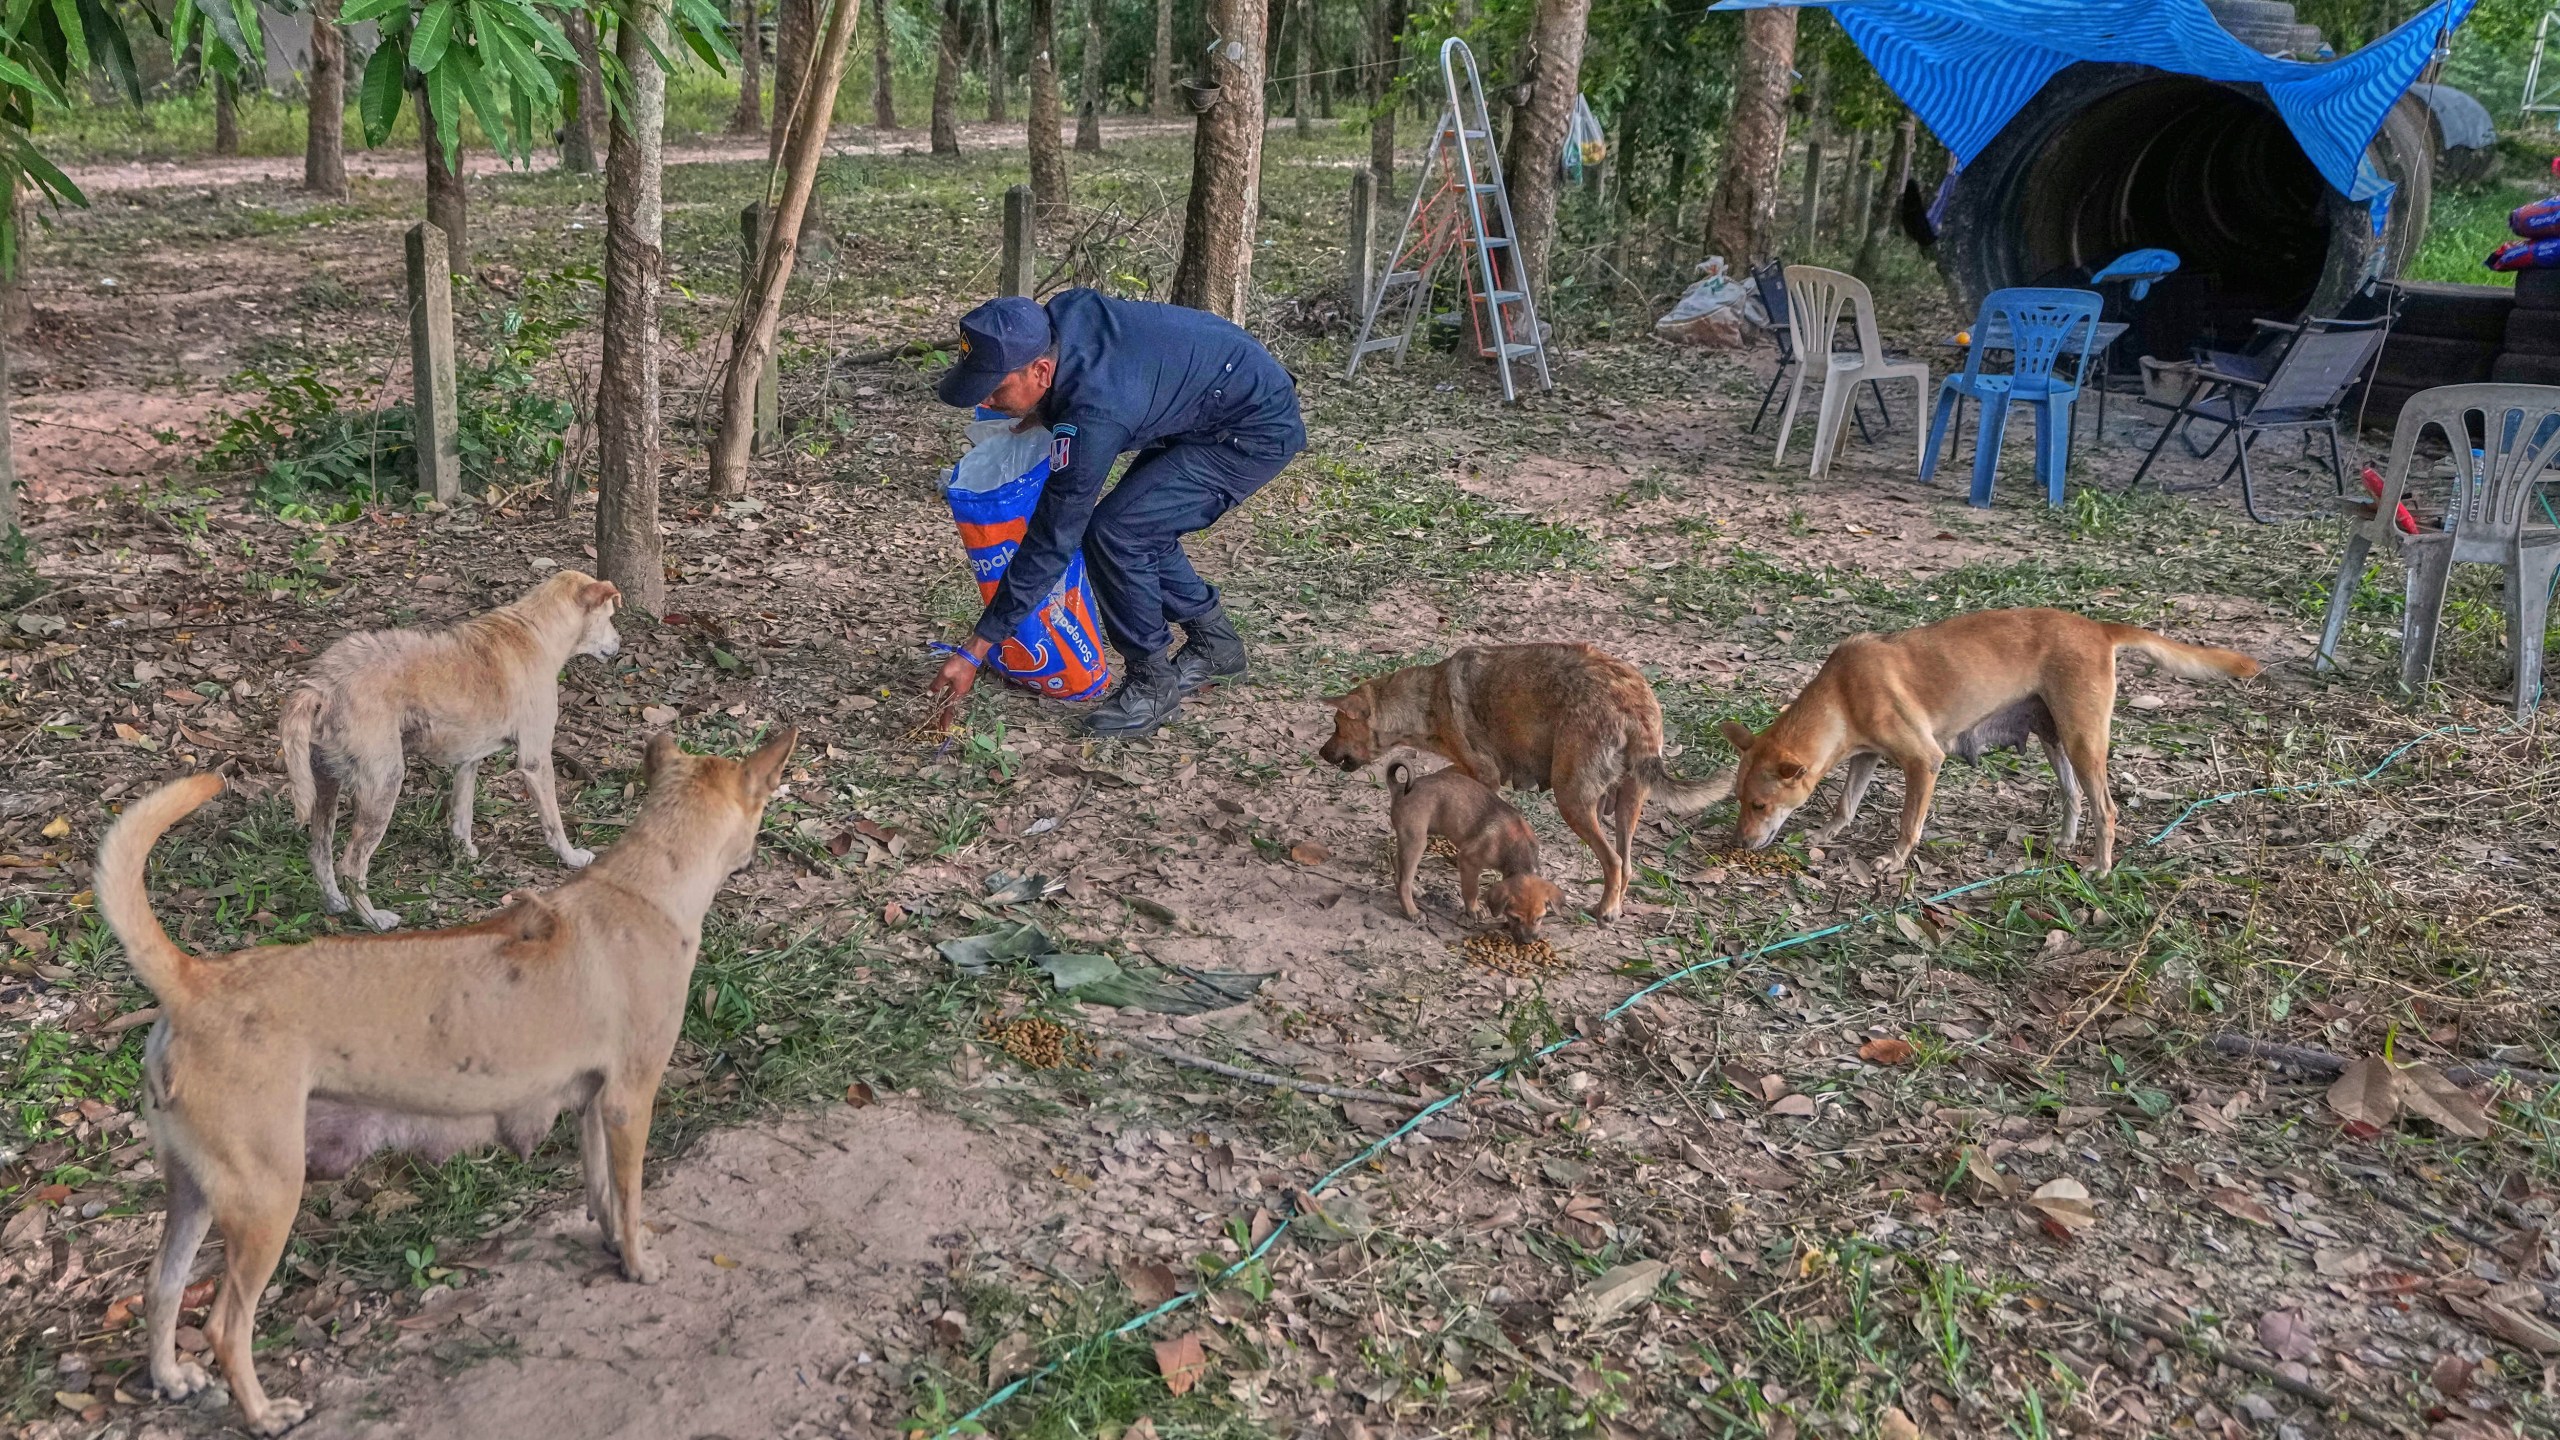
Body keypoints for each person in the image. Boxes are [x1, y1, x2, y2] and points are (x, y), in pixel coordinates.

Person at [924, 291, 1306, 739]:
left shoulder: (1094, 412)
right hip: (1216, 395)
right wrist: (1039, 409)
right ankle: (1217, 645)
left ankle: (1152, 682)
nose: (986, 401)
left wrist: (977, 646)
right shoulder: (1060, 321)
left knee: (1117, 533)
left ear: (1041, 370)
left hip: (1251, 430)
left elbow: (1053, 537)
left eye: (995, 387)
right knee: (1138, 524)